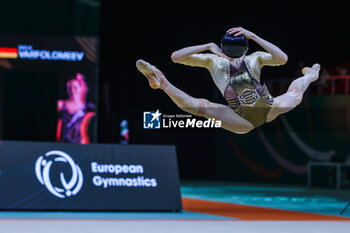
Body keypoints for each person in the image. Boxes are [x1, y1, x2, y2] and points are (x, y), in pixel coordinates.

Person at [136, 27, 320, 134]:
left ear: (245, 47)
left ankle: (311, 74)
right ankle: (162, 83)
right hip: (240, 118)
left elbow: (283, 58)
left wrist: (253, 35)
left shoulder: (253, 59)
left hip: (267, 106)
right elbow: (176, 57)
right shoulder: (212, 60)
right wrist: (208, 46)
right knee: (202, 107)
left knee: (295, 94)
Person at [56, 73, 95, 143]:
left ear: (81, 88)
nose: (72, 90)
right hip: (62, 143)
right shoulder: (61, 104)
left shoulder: (88, 108)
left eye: (75, 87)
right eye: (69, 87)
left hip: (80, 143)